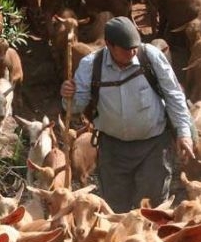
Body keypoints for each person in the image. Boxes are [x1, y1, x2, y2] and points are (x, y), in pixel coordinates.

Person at [60, 16, 194, 212]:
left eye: (135, 47)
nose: (133, 52)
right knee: (115, 211)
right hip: (113, 151)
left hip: (153, 148)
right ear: (109, 45)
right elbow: (77, 106)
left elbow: (174, 95)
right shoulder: (91, 65)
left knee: (151, 210)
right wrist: (68, 96)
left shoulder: (150, 57)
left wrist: (184, 132)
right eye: (126, 48)